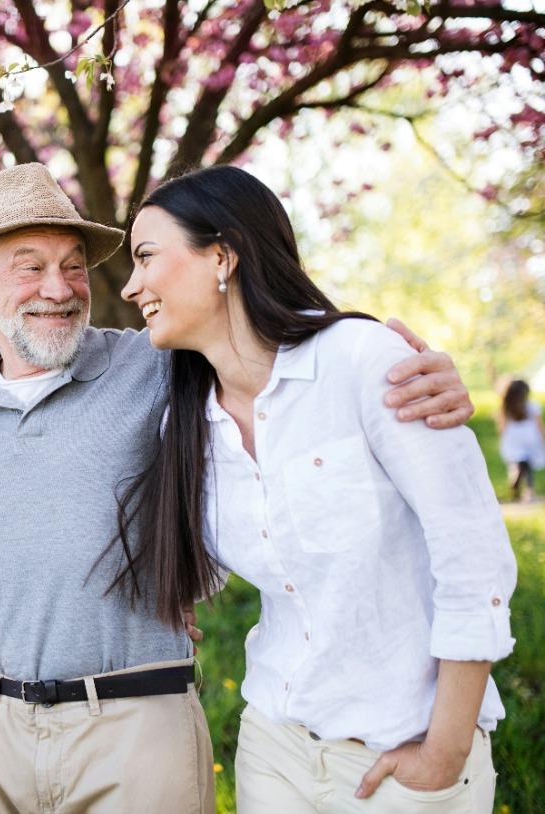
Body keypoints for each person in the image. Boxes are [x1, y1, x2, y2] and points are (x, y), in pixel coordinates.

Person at [0, 162, 477, 814]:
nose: (60, 288)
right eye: (29, 266)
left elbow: (283, 353)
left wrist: (427, 374)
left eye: (73, 265)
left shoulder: (164, 360)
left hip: (134, 719)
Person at [117, 165, 516, 813]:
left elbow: (475, 561)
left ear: (222, 255)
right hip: (275, 746)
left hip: (403, 753)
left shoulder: (366, 363)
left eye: (146, 257)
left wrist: (443, 752)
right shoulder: (187, 419)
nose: (132, 285)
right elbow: (209, 567)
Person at [498, 379, 545, 502]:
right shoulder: (532, 405)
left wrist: (503, 439)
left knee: (516, 462)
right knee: (528, 467)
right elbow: (539, 425)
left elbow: (502, 426)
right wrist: (543, 439)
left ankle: (515, 477)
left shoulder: (506, 407)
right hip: (530, 437)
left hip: (513, 438)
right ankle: (529, 492)